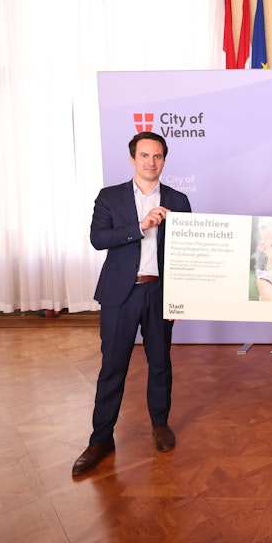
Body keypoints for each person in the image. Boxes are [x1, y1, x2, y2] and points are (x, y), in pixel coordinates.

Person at [72, 132, 192, 476]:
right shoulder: (110, 197)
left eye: (157, 156)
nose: (150, 162)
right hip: (119, 296)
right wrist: (140, 226)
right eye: (144, 156)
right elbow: (98, 239)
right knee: (112, 367)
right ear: (132, 159)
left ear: (164, 161)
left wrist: (183, 297)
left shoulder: (178, 200)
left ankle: (160, 425)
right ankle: (100, 439)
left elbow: (186, 253)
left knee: (160, 365)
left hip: (160, 294)